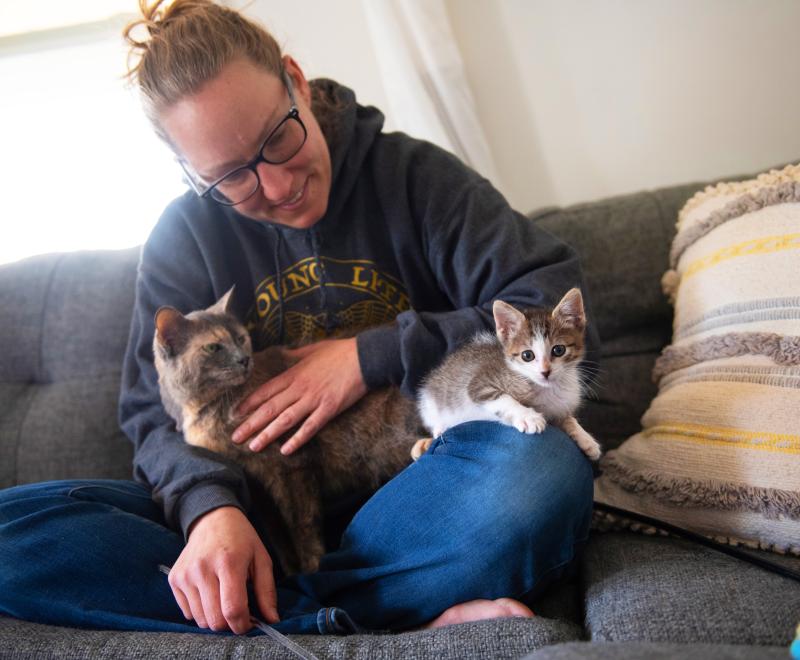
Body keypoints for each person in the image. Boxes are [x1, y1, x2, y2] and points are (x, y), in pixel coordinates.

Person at [0, 0, 595, 636]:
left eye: (278, 138)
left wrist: (369, 357)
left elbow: (548, 292)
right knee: (14, 534)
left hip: (424, 494)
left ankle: (290, 619)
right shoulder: (182, 237)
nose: (278, 186)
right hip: (258, 524)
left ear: (296, 81)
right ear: (191, 174)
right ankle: (386, 615)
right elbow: (151, 416)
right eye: (232, 177)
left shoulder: (412, 177)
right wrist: (208, 511)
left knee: (543, 473)